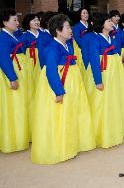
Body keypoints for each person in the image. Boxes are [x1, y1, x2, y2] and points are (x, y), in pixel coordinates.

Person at [30, 14, 95, 164]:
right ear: (58, 31)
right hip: (60, 85)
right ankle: (60, 147)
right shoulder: (52, 48)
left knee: (70, 113)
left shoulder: (68, 45)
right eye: (67, 27)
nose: (71, 30)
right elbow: (51, 71)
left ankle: (71, 143)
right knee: (59, 117)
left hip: (72, 84)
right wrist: (59, 91)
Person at [86, 12, 124, 148]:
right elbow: (94, 61)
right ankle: (102, 133)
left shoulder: (112, 38)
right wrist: (98, 80)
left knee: (115, 100)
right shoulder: (95, 39)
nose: (111, 22)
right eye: (108, 20)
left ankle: (116, 129)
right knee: (102, 103)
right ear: (101, 24)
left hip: (115, 73)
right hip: (104, 73)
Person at [0, 9, 29, 153]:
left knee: (19, 106)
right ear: (5, 22)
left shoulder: (13, 35)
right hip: (10, 74)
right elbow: (3, 58)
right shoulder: (3, 37)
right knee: (13, 107)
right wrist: (12, 78)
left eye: (17, 20)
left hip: (18, 70)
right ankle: (12, 140)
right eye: (14, 20)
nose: (17, 23)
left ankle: (20, 137)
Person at [20, 13, 43, 99]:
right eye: (34, 20)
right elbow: (22, 52)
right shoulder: (24, 37)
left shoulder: (45, 35)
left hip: (42, 62)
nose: (37, 22)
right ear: (28, 23)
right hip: (30, 64)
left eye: (37, 20)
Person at [72, 7, 90, 75]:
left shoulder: (90, 25)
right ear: (80, 15)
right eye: (84, 13)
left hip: (90, 48)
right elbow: (78, 39)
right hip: (81, 49)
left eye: (87, 13)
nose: (86, 15)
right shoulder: (77, 26)